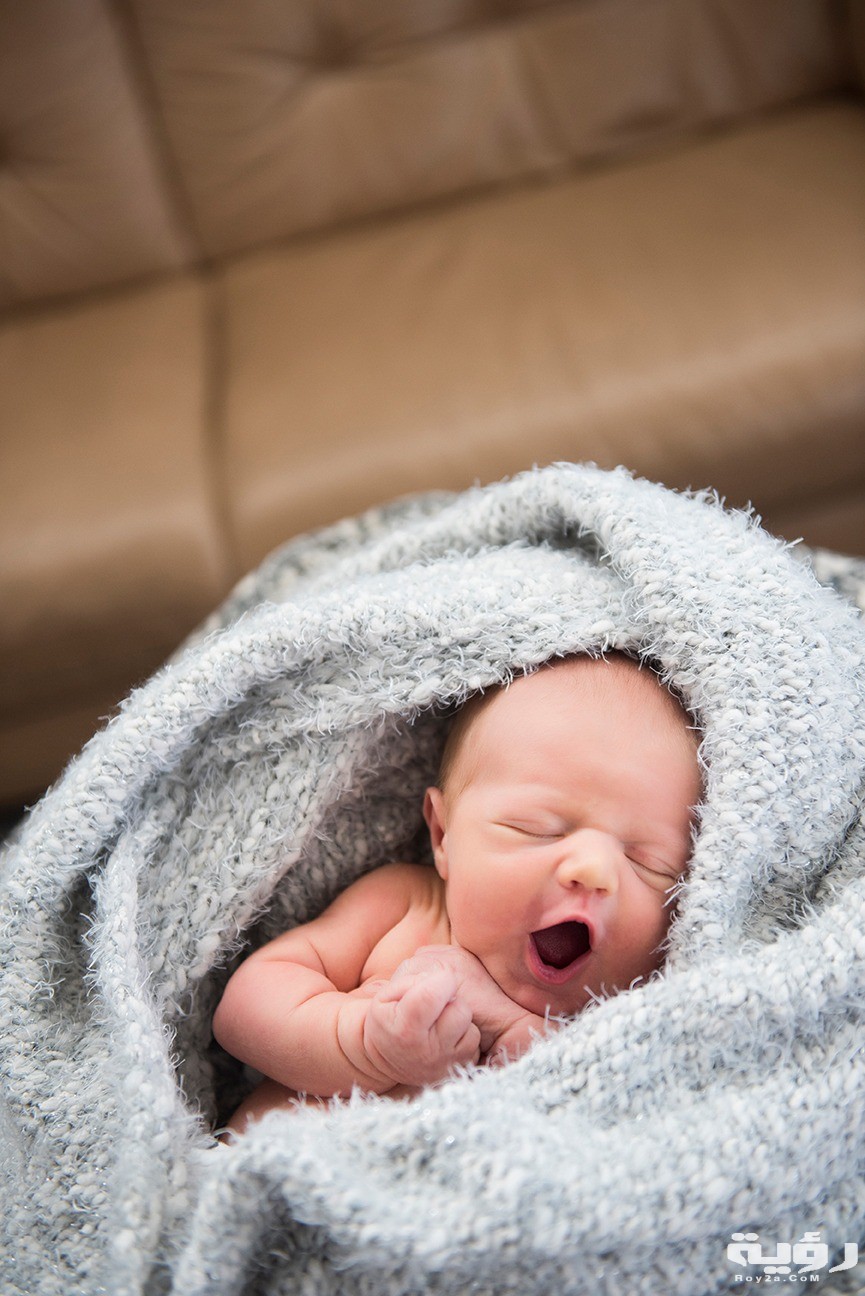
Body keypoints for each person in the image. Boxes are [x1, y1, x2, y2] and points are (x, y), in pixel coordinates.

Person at [213, 653, 701, 1135]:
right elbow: (243, 1012)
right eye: (537, 829)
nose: (594, 869)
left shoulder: (629, 1017)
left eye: (648, 863)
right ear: (444, 835)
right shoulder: (404, 907)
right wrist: (363, 1043)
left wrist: (518, 1029)